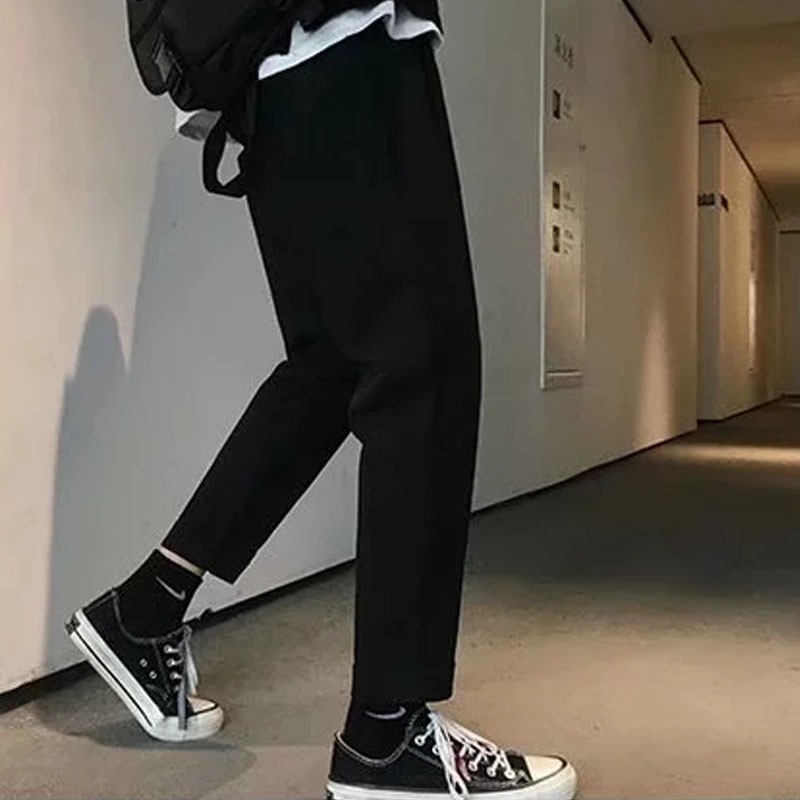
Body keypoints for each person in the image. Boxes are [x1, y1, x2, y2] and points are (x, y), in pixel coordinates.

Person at [65, 2, 578, 798]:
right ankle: (385, 737)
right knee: (421, 371)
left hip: (274, 69)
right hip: (342, 34)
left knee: (333, 365)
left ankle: (148, 606)